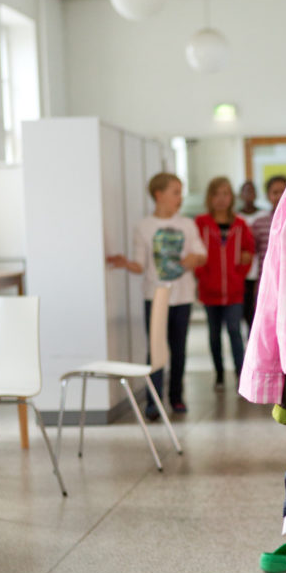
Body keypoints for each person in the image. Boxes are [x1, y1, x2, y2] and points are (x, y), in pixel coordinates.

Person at [106, 173, 206, 418]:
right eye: (175, 192)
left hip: (182, 298)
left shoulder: (187, 225)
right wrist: (124, 263)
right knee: (155, 351)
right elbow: (140, 265)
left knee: (179, 350)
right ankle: (153, 401)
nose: (179, 197)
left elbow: (201, 254)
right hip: (155, 298)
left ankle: (176, 398)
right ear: (158, 195)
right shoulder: (144, 227)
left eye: (180, 192)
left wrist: (195, 258)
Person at [195, 177, 255, 390]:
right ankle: (219, 375)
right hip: (209, 291)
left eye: (225, 194)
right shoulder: (200, 223)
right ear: (209, 198)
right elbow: (195, 253)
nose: (221, 199)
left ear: (231, 197)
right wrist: (202, 274)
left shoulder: (240, 224)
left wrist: (238, 274)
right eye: (216, 194)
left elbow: (249, 251)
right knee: (213, 335)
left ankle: (241, 375)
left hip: (234, 290)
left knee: (234, 332)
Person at [248, 174, 286, 332]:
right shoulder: (259, 223)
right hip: (267, 283)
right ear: (268, 195)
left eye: (283, 190)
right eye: (275, 192)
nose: (279, 196)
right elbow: (251, 256)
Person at [237, 180, 261, 332]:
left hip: (259, 268)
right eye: (245, 191)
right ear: (240, 195)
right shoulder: (235, 217)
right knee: (245, 308)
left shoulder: (263, 215)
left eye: (251, 191)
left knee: (257, 307)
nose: (249, 194)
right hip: (242, 270)